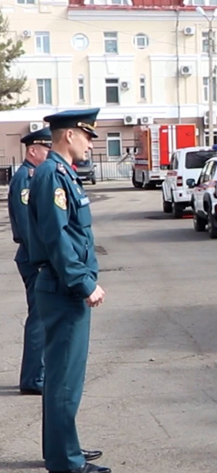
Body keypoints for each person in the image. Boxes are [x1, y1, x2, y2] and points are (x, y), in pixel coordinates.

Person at [27, 108, 109, 473]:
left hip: (64, 287)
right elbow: (57, 237)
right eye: (88, 135)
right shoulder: (52, 175)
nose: (92, 143)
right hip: (63, 288)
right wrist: (83, 282)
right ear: (69, 135)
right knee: (64, 381)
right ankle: (66, 463)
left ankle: (64, 450)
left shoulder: (62, 174)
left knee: (64, 379)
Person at [8, 127, 51, 396]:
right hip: (32, 257)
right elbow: (27, 225)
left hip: (33, 256)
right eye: (47, 149)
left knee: (42, 315)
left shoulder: (32, 175)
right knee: (39, 317)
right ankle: (34, 378)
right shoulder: (26, 178)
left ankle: (36, 374)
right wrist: (42, 259)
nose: (50, 153)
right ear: (33, 150)